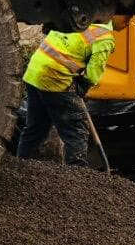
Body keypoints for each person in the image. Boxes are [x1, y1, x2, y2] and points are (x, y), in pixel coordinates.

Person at [16, 19, 121, 167]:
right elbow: (93, 73)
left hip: (34, 72)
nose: (128, 23)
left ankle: (19, 166)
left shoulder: (77, 21)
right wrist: (81, 87)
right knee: (76, 130)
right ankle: (77, 174)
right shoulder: (104, 38)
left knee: (35, 128)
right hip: (54, 78)